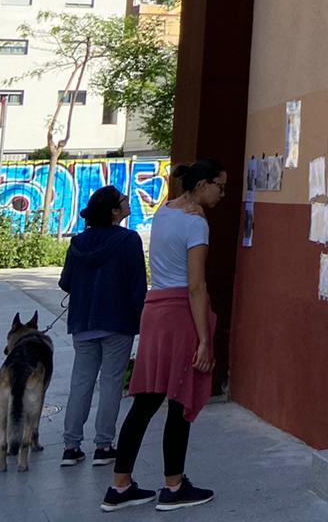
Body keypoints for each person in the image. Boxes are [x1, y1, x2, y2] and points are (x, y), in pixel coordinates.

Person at [103, 160, 226, 512]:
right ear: (202, 185)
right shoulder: (196, 223)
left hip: (154, 308)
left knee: (145, 401)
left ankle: (120, 485)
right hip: (178, 315)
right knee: (180, 400)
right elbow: (196, 285)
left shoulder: (164, 212)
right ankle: (173, 486)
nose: (222, 193)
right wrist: (204, 338)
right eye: (219, 185)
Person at [59, 186, 147, 468]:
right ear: (114, 210)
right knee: (110, 383)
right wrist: (141, 318)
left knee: (81, 382)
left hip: (83, 321)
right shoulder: (129, 240)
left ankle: (71, 446)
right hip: (117, 321)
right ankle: (103, 445)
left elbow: (66, 282)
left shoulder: (78, 242)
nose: (127, 201)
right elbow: (137, 286)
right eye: (123, 199)